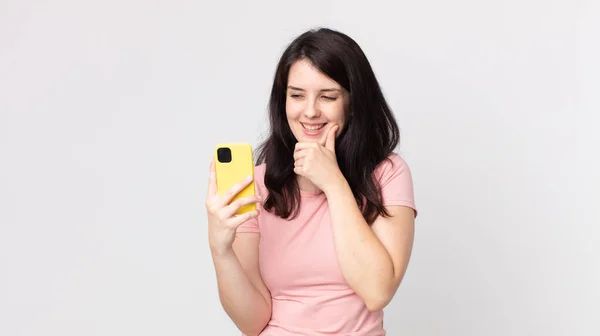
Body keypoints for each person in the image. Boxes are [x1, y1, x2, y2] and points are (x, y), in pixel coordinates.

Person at [205, 27, 417, 336]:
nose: (310, 111)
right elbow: (253, 323)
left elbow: (377, 291)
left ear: (353, 102)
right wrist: (220, 250)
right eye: (296, 95)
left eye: (328, 96)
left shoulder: (387, 173)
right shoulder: (260, 185)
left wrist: (334, 184)